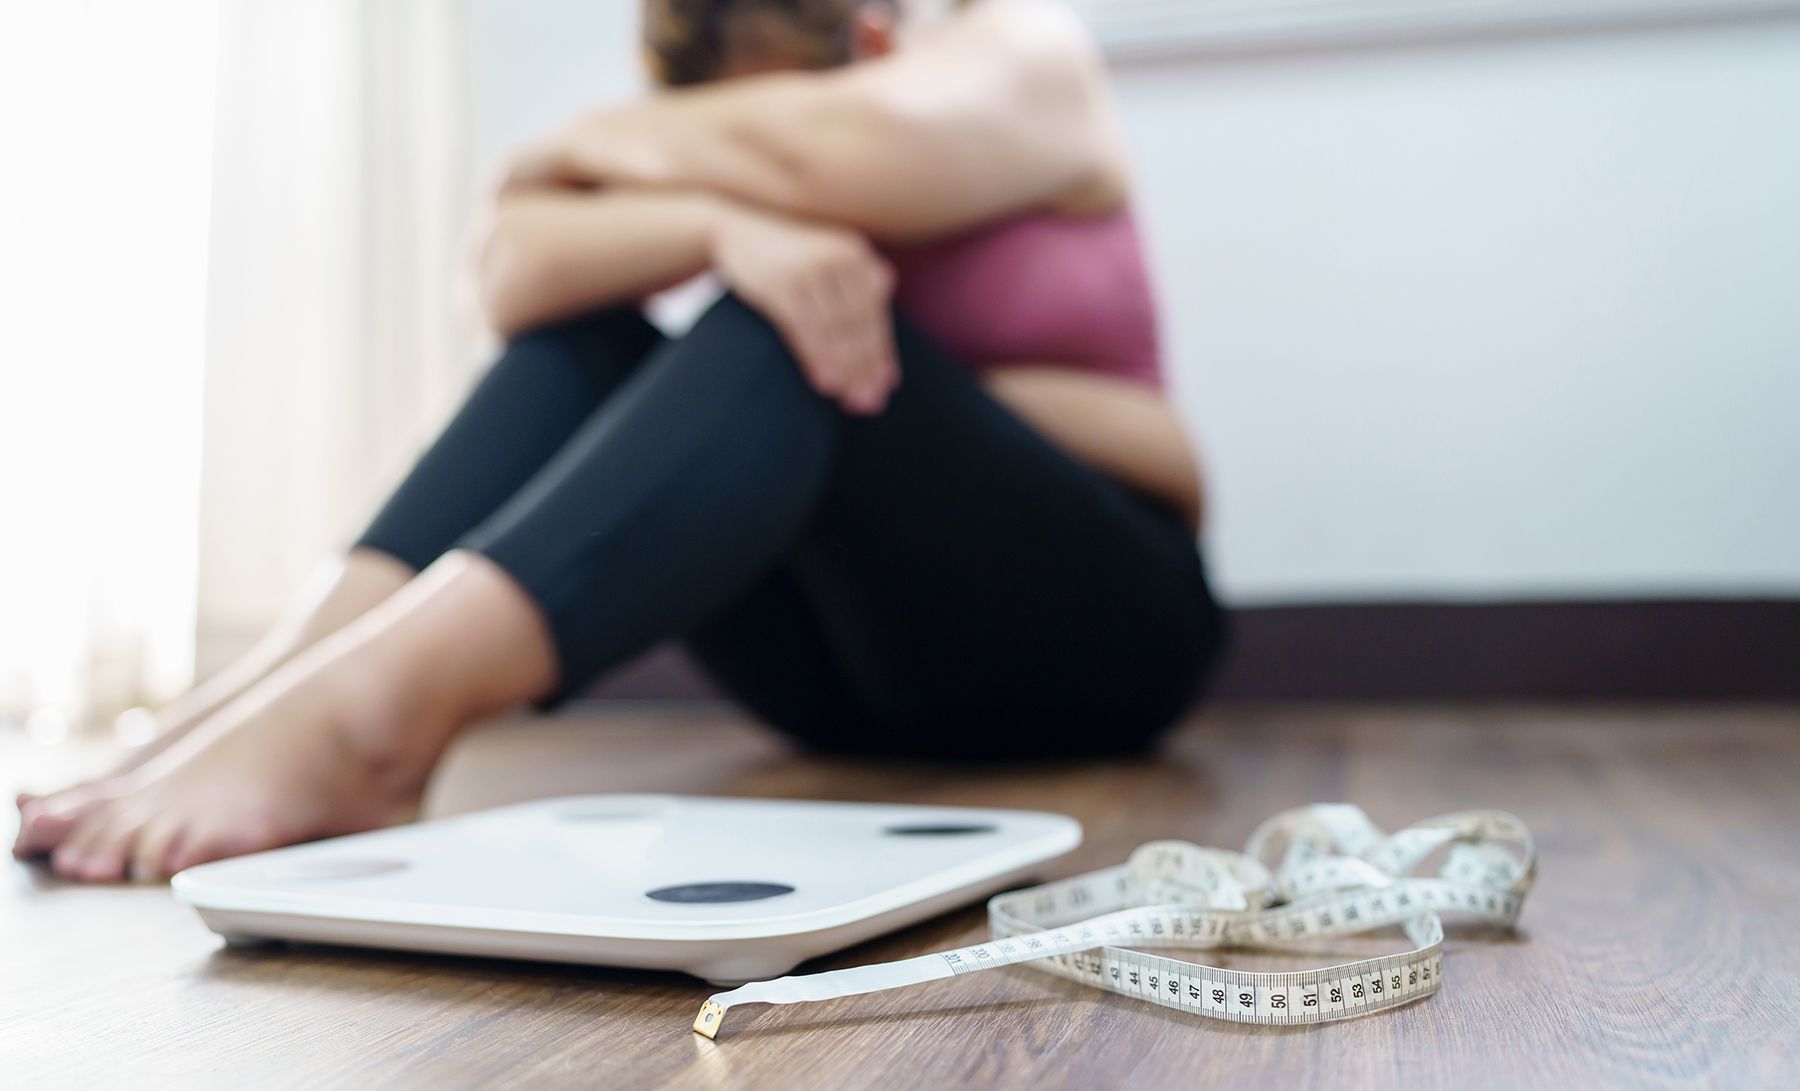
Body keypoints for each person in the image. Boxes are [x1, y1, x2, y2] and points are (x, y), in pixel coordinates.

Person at [11, 0, 1226, 883]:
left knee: (791, 322)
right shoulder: (708, 154)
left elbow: (806, 155)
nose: (721, 151)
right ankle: (271, 694)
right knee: (584, 340)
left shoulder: (1024, 51)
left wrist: (570, 154)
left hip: (1098, 641)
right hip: (840, 681)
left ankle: (368, 726)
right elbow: (509, 271)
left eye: (745, 122)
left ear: (870, 43)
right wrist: (714, 217)